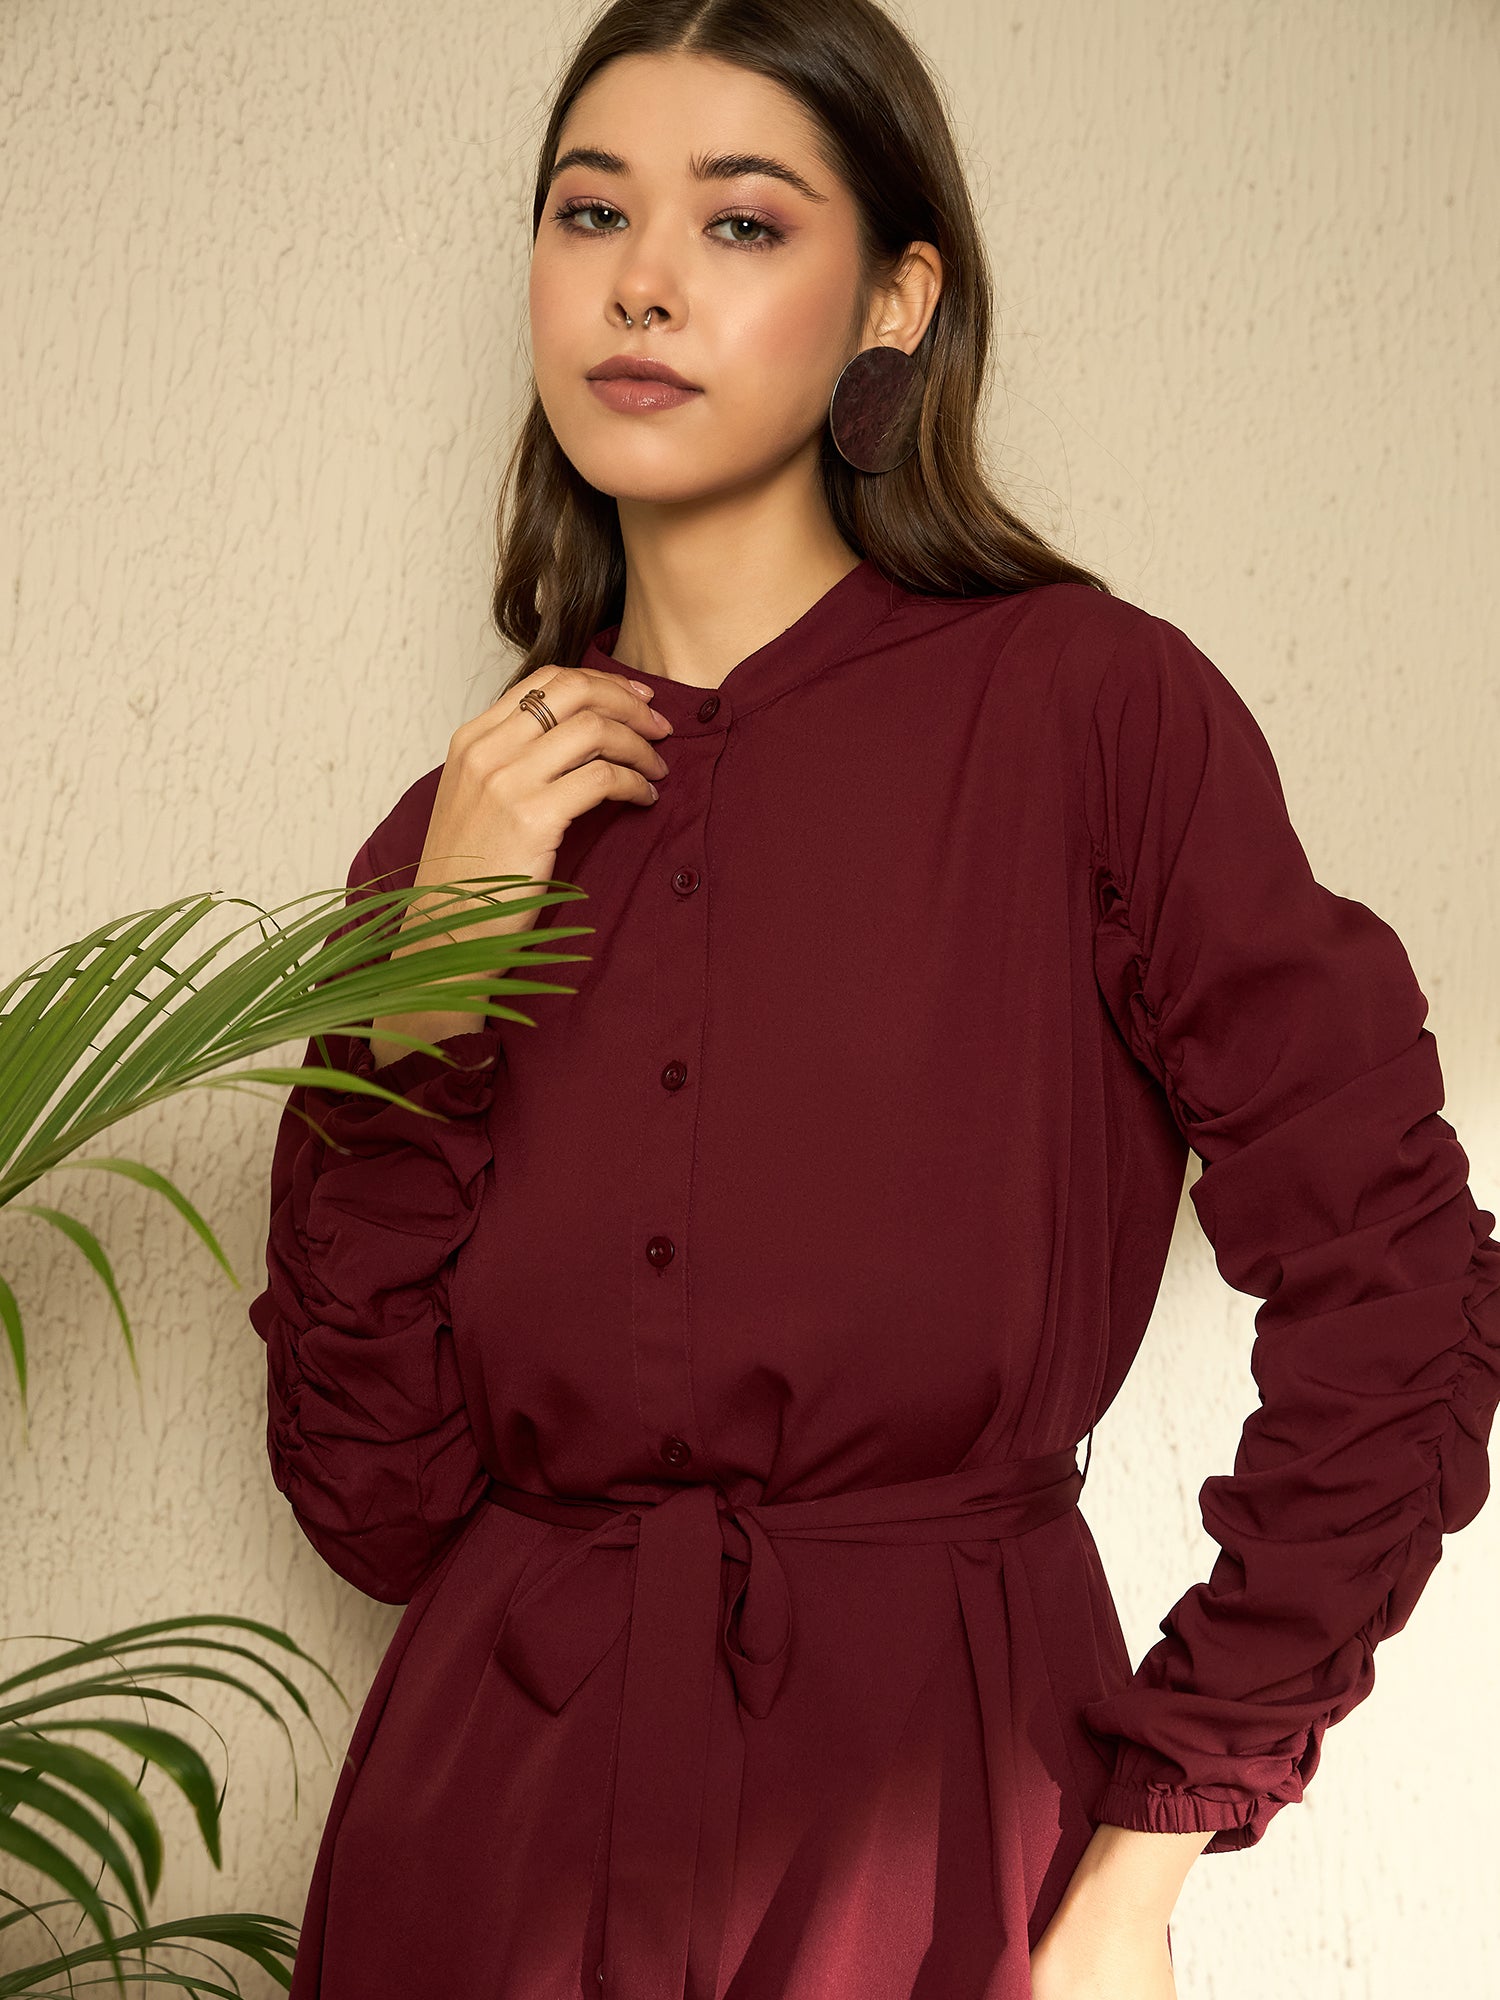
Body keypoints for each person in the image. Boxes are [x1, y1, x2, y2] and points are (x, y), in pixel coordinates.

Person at [246, 2, 1500, 1996]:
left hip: (939, 1843)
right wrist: (429, 995)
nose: (641, 282)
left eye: (742, 223)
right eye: (589, 212)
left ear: (894, 301)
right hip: (481, 1863)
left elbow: (1404, 1287)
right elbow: (372, 1502)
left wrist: (1151, 1846)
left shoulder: (1091, 712)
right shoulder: (459, 822)